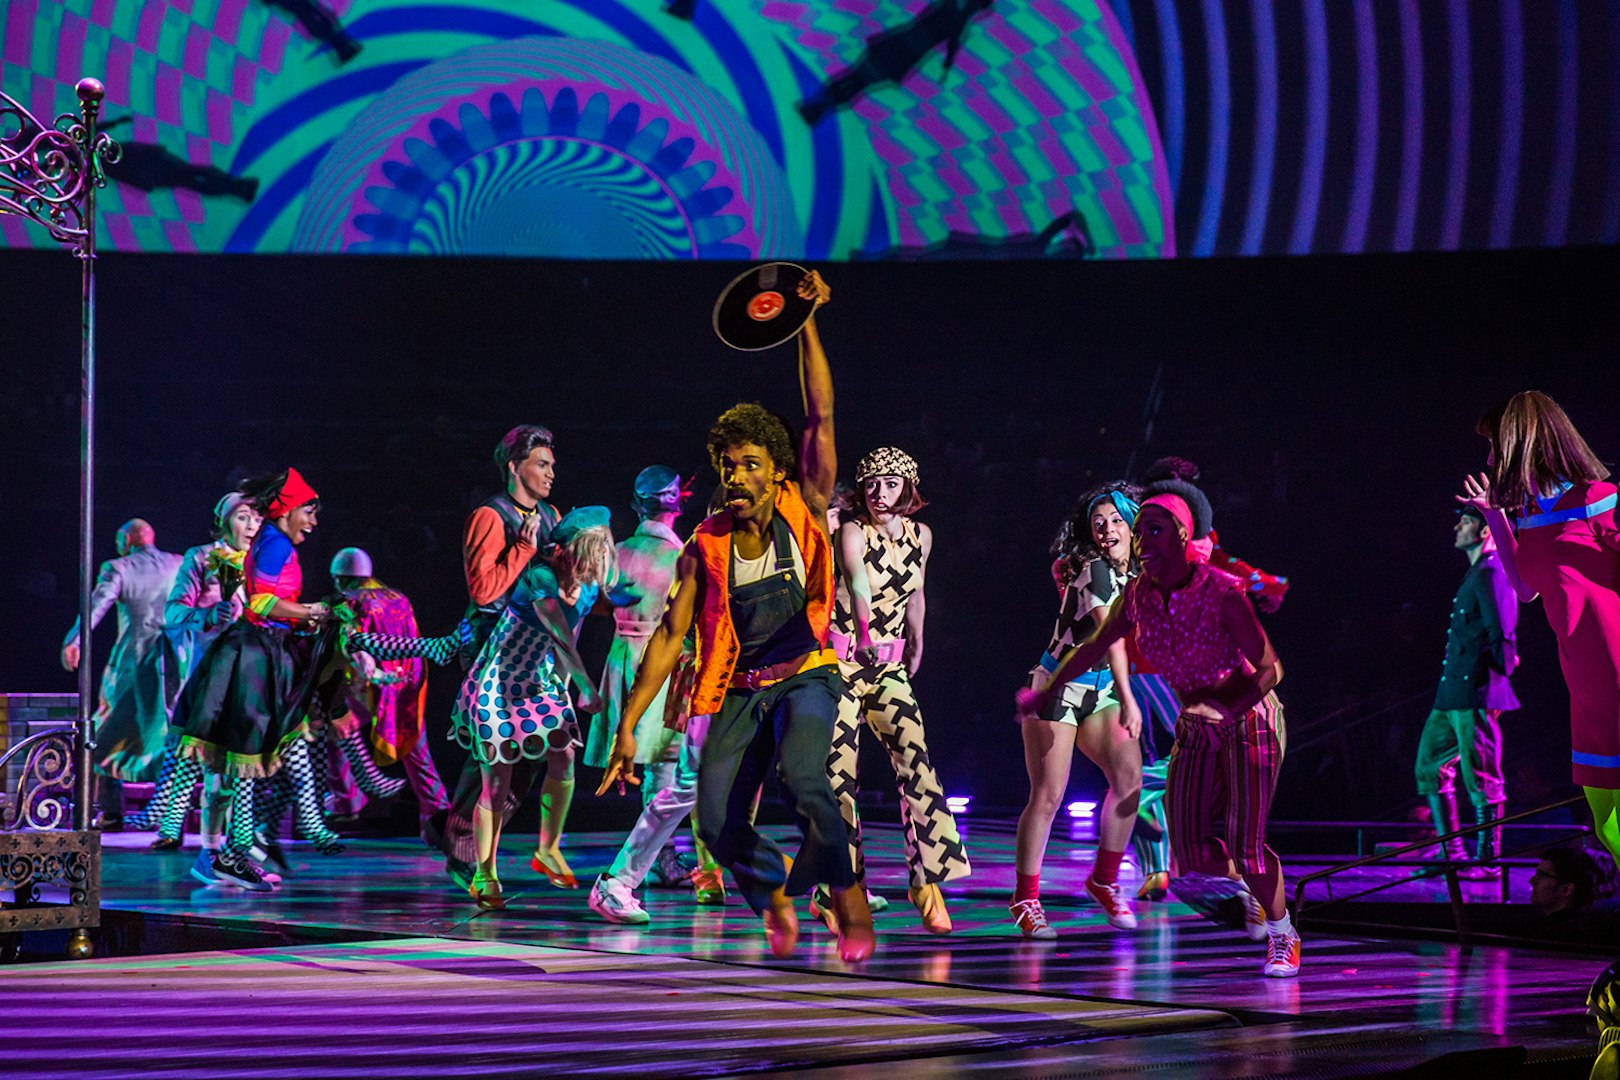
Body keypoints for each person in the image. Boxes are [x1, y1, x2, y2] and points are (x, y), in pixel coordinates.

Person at [598, 271, 876, 963]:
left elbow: (820, 414)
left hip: (807, 675)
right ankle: (774, 892)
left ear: (775, 471)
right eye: (726, 465)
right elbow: (670, 636)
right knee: (716, 821)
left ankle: (847, 894)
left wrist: (805, 322)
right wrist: (629, 725)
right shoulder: (704, 546)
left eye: (749, 464)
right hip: (740, 689)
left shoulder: (805, 504)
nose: (735, 476)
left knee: (804, 782)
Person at [1019, 482, 1299, 977]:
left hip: (1247, 719)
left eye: (1149, 529)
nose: (1133, 537)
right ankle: (1251, 883)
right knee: (1187, 853)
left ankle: (1281, 931)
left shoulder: (1217, 591)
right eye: (1137, 529)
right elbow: (1097, 645)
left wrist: (1225, 709)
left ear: (1181, 537)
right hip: (1156, 712)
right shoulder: (1130, 589)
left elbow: (1270, 668)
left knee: (1239, 840)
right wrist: (1047, 691)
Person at [1460, 391, 1620, 862]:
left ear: (1521, 443)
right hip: (1583, 682)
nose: (1490, 459)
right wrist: (1494, 516)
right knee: (1605, 822)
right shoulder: (1531, 514)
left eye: (1495, 446)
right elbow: (1524, 588)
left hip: (1615, 668)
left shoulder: (1597, 499)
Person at [172, 468, 345, 889]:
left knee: (268, 752)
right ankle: (230, 850)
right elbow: (261, 603)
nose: (313, 522)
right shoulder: (270, 544)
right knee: (243, 760)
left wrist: (302, 618)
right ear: (287, 510)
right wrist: (311, 612)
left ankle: (244, 846)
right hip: (250, 656)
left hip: (265, 651)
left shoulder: (271, 542)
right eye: (308, 512)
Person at [824, 447, 968, 935]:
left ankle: (926, 880)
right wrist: (865, 633)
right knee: (838, 779)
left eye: (890, 483)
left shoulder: (920, 535)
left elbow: (917, 591)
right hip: (842, 664)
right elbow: (857, 583)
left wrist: (918, 638)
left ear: (907, 487)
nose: (879, 492)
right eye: (871, 483)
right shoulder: (852, 530)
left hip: (888, 667)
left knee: (917, 764)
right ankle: (841, 889)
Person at [452, 506, 613, 908]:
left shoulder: (586, 586)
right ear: (566, 551)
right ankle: (484, 873)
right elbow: (560, 633)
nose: (598, 560)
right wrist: (585, 685)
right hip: (500, 682)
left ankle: (547, 849)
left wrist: (564, 683)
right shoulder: (540, 577)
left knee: (564, 755)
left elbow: (575, 630)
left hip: (539, 678)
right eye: (592, 551)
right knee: (497, 780)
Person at [425, 425, 562, 893]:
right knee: (496, 749)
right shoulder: (490, 515)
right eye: (541, 464)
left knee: (533, 749)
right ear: (514, 466)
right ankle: (464, 845)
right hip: (492, 644)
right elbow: (483, 591)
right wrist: (522, 548)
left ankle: (455, 828)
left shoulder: (550, 514)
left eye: (551, 465)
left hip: (534, 646)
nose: (550, 473)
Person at [586, 467, 724, 924]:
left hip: (625, 653)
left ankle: (659, 863)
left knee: (666, 767)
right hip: (663, 656)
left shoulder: (621, 551)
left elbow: (596, 602)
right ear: (678, 502)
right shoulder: (682, 553)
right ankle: (665, 865)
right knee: (671, 764)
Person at [1010, 483, 1143, 940]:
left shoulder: (1141, 572)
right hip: (1057, 687)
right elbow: (1109, 638)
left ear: (1133, 525)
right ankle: (1026, 899)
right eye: (1098, 523)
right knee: (1048, 796)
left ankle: (1103, 880)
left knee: (1130, 782)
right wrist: (1128, 697)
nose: (1106, 529)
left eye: (1116, 520)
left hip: (1101, 690)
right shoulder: (1094, 570)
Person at [127, 492, 261, 856]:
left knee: (243, 760)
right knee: (190, 751)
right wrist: (207, 615)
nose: (251, 526)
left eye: (257, 519)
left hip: (250, 671)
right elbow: (173, 613)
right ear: (223, 521)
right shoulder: (202, 557)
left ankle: (241, 838)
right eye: (243, 517)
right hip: (209, 670)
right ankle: (172, 826)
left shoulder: (262, 562)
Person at [1413, 506, 1519, 878]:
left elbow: (1502, 630)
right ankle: (1452, 853)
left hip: (1475, 688)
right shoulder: (1477, 572)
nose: (1458, 526)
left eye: (1467, 521)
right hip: (1453, 690)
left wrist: (1502, 674)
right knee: (1429, 764)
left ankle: (1487, 862)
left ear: (1485, 531)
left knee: (1481, 775)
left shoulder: (1491, 572)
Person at [60, 519, 184, 828]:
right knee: (171, 731)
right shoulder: (178, 563)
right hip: (176, 660)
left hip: (135, 660)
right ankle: (170, 812)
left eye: (119, 541)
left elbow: (96, 606)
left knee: (104, 729)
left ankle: (110, 809)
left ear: (127, 540)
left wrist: (74, 640)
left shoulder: (119, 567)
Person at [327, 547, 450, 837]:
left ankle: (347, 800)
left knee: (337, 729)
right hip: (404, 681)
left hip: (368, 684)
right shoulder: (398, 597)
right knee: (416, 748)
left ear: (341, 578)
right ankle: (439, 812)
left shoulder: (348, 601)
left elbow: (354, 648)